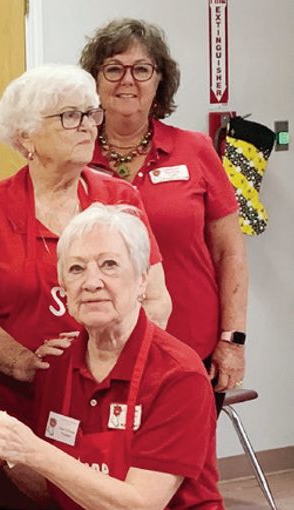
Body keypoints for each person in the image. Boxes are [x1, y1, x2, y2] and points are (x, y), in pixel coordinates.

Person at [0, 64, 171, 506]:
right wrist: (23, 362)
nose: (89, 126)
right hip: (16, 397)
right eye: (69, 116)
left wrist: (104, 356)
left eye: (90, 114)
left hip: (106, 396)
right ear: (26, 138)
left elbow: (155, 297)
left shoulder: (120, 199)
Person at [0, 203, 223, 509]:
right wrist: (7, 449)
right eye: (76, 269)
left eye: (109, 265)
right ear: (63, 287)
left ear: (142, 279)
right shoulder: (59, 364)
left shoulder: (178, 375)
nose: (91, 282)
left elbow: (139, 505)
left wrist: (34, 449)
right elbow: (54, 491)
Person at [81, 18, 247, 400]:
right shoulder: (75, 157)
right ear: (94, 80)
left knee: (181, 458)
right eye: (113, 68)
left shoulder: (197, 150)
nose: (128, 80)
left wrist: (233, 340)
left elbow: (230, 251)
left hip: (191, 347)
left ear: (160, 81)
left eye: (142, 69)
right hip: (99, 347)